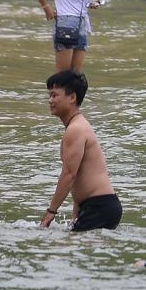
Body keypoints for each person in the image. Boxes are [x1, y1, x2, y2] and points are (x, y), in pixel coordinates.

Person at [38, 70, 120, 231]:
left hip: (100, 207)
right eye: (49, 95)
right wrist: (75, 216)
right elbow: (79, 180)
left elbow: (69, 175)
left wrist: (50, 212)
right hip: (98, 206)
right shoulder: (77, 126)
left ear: (72, 98)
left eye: (54, 95)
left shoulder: (75, 129)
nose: (50, 100)